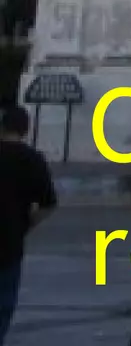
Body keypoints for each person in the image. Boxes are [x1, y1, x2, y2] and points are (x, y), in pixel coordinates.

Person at [0, 104, 57, 345]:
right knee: (4, 304)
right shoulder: (33, 159)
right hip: (11, 240)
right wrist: (26, 224)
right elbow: (48, 203)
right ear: (26, 130)